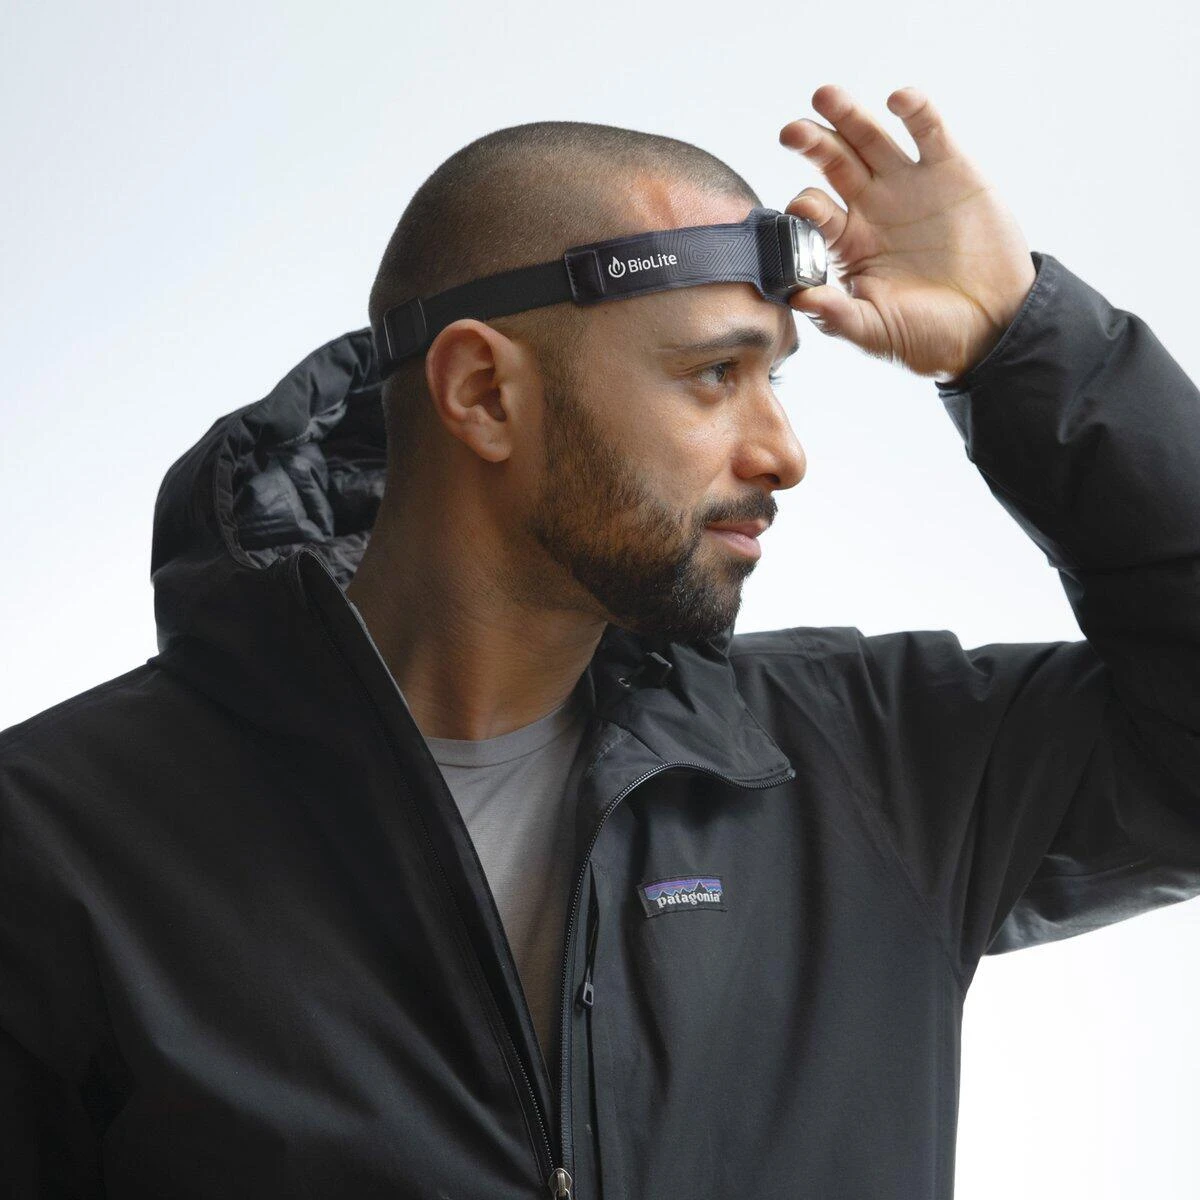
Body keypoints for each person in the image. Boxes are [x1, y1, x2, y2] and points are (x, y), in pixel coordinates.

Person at [2, 83, 1198, 1199]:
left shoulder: (871, 763)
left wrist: (1023, 342)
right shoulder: (60, 840)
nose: (782, 452)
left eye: (776, 380)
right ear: (484, 394)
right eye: (715, 374)